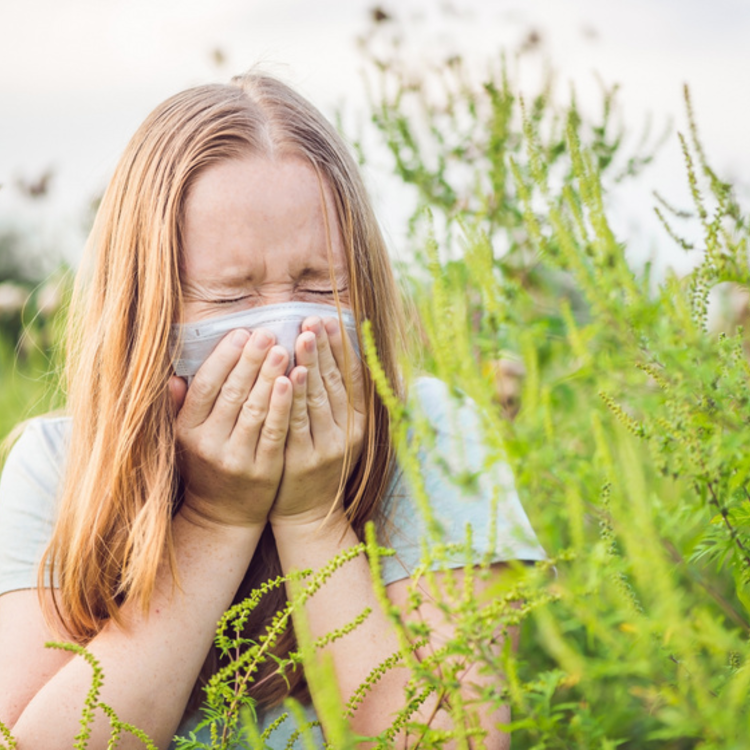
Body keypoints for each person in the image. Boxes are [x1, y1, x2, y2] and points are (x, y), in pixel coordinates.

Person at [0, 73, 546, 749]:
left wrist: (311, 517)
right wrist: (216, 518)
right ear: (149, 313)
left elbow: (455, 741)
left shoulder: (430, 436)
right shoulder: (57, 468)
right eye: (231, 297)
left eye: (321, 285)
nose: (284, 331)